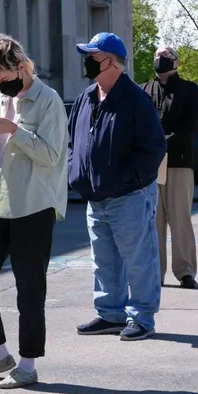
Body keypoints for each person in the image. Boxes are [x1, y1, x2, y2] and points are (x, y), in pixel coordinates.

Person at [0, 34, 68, 389]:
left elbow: (52, 156)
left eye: (5, 80)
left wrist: (13, 130)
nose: (2, 88)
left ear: (21, 67)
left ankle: (27, 365)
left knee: (30, 289)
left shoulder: (48, 100)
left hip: (33, 204)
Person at [68, 33, 166, 341]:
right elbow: (74, 141)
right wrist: (76, 172)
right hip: (96, 197)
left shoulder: (136, 98)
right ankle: (110, 313)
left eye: (92, 57)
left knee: (138, 259)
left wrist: (127, 180)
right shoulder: (86, 98)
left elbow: (153, 148)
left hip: (129, 196)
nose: (86, 62)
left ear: (110, 62)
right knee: (104, 260)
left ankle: (143, 318)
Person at [141, 46, 198, 289]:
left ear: (176, 62)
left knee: (180, 219)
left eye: (164, 57)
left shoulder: (189, 89)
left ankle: (185, 271)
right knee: (153, 222)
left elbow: (190, 125)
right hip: (150, 165)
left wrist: (165, 140)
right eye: (156, 56)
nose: (159, 59)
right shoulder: (143, 89)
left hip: (178, 160)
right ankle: (156, 272)